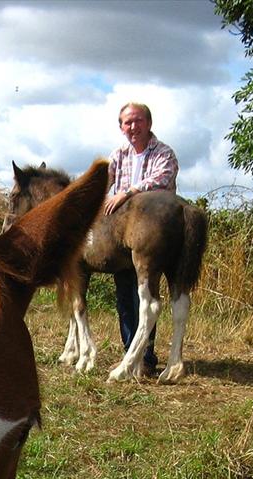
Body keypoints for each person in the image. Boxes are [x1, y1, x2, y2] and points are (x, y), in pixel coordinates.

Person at [104, 102, 179, 375]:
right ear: (121, 127)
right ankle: (129, 354)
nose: (133, 127)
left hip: (153, 235)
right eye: (127, 122)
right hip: (122, 236)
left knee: (145, 295)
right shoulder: (118, 154)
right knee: (124, 294)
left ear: (149, 123)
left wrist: (128, 193)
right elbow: (104, 184)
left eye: (138, 121)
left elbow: (162, 179)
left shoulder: (164, 153)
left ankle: (145, 358)